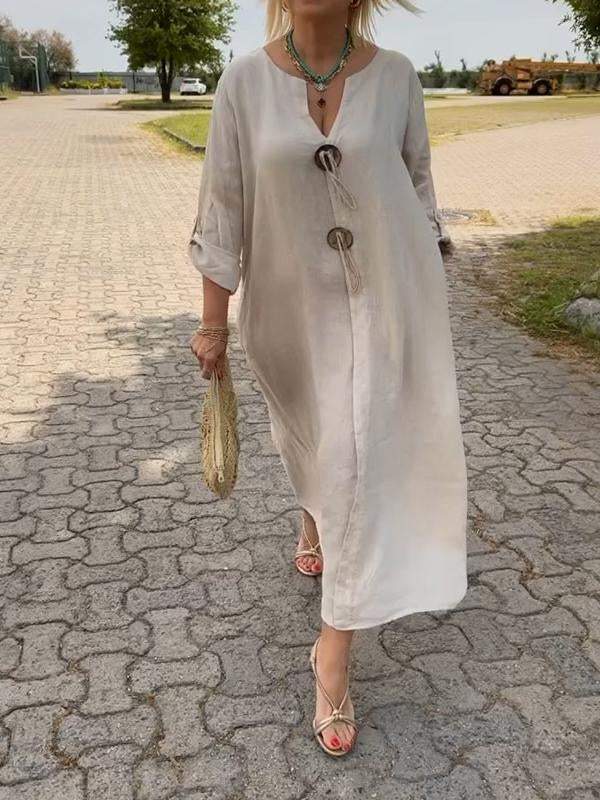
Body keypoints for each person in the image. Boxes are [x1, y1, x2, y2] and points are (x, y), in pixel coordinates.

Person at [189, 0, 468, 758]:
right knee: (313, 441)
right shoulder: (243, 83)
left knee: (356, 455)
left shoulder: (397, 77)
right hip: (287, 312)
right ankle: (312, 516)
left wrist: (426, 297)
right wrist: (213, 325)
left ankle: (333, 653)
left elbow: (418, 190)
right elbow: (222, 206)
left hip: (381, 304)